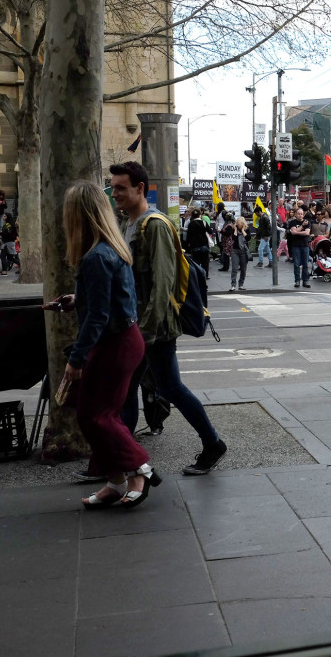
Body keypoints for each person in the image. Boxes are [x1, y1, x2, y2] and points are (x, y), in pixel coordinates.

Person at [110, 161, 228, 476]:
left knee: (167, 387)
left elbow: (162, 284)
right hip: (138, 324)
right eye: (113, 186)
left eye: (121, 187)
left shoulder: (155, 225)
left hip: (154, 327)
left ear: (139, 188)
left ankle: (212, 443)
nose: (115, 192)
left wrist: (145, 330)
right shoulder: (128, 224)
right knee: (132, 388)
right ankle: (120, 459)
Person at [50, 181, 160, 508]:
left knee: (97, 416)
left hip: (115, 343)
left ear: (78, 215)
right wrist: (76, 299)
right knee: (95, 414)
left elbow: (98, 316)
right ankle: (115, 480)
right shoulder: (109, 248)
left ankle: (138, 469)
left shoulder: (95, 257)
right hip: (123, 339)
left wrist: (77, 359)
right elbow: (109, 300)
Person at [286, 206, 312, 288]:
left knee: (305, 264)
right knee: (296, 264)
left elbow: (307, 233)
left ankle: (305, 281)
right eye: (298, 214)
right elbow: (293, 232)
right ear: (296, 215)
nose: (300, 215)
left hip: (305, 245)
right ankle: (297, 280)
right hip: (295, 245)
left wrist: (297, 232)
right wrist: (302, 227)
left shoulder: (307, 222)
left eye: (301, 214)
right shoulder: (292, 222)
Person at [224, 216, 249, 291]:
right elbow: (233, 239)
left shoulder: (247, 230)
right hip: (235, 250)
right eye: (238, 224)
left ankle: (241, 284)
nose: (239, 226)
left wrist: (243, 230)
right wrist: (235, 229)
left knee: (243, 269)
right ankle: (233, 285)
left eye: (241, 225)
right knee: (234, 268)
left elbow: (248, 238)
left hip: (243, 251)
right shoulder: (234, 229)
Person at [185, 208, 211, 278]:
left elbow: (189, 235)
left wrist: (187, 245)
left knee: (196, 262)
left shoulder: (191, 224)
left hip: (195, 246)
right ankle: (205, 275)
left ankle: (197, 275)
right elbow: (210, 231)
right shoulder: (204, 223)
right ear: (200, 215)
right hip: (204, 245)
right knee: (205, 262)